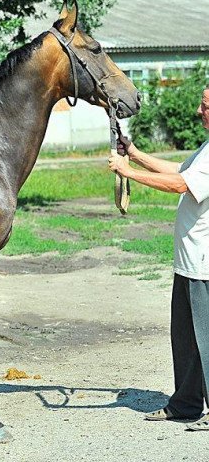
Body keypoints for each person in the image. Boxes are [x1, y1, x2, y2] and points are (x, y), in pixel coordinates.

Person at [108, 85, 209, 430]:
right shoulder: (206, 148)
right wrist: (133, 153)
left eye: (205, 105)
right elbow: (178, 169)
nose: (198, 110)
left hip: (204, 265)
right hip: (189, 262)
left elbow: (180, 185)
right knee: (185, 338)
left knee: (206, 340)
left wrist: (127, 172)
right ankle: (186, 404)